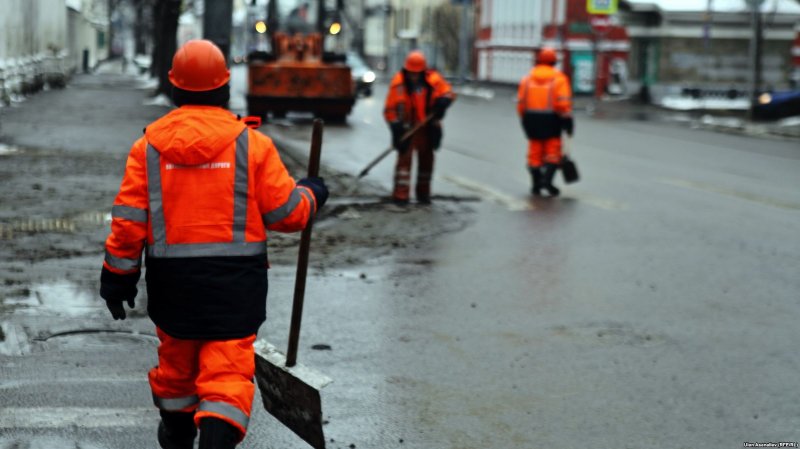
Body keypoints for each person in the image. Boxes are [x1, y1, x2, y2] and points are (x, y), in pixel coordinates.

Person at [98, 39, 328, 449]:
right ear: (224, 89)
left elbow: (129, 223)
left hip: (174, 287)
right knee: (226, 376)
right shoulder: (251, 144)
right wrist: (312, 192)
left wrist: (118, 279)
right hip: (236, 288)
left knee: (177, 370)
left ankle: (176, 429)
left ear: (174, 88)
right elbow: (287, 215)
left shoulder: (149, 148)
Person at [383, 50, 455, 205]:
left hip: (427, 128)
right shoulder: (398, 84)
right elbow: (390, 110)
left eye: (417, 73)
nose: (414, 77)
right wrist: (395, 126)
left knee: (426, 162)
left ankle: (423, 194)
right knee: (404, 164)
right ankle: (401, 196)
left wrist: (443, 101)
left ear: (423, 71)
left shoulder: (433, 80)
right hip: (407, 130)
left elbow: (448, 92)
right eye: (411, 73)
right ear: (406, 71)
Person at [516, 47, 574, 197]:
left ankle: (536, 184)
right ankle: (547, 181)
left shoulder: (527, 79)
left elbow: (521, 104)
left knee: (534, 152)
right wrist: (568, 121)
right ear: (554, 61)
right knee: (552, 152)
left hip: (531, 120)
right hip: (552, 120)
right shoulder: (560, 79)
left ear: (539, 60)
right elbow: (563, 104)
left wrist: (525, 119)